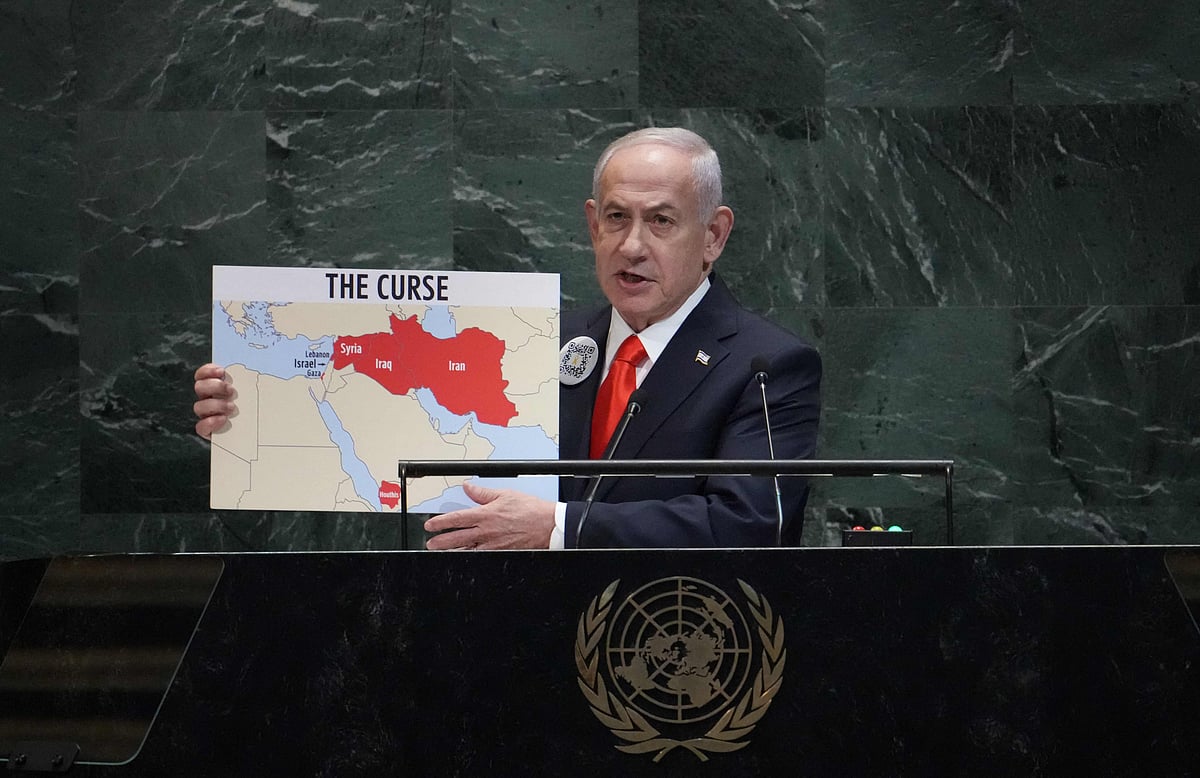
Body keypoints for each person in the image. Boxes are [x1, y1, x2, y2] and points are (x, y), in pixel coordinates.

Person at [194, 127, 822, 549]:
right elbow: (384, 418)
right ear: (590, 224)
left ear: (713, 234)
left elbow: (753, 523)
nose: (633, 245)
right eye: (616, 217)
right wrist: (251, 408)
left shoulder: (766, 363)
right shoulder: (530, 343)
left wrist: (557, 528)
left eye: (661, 221)